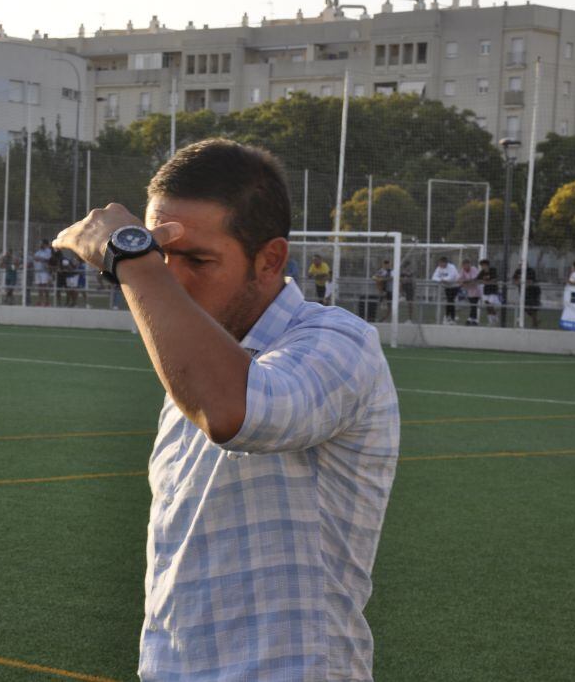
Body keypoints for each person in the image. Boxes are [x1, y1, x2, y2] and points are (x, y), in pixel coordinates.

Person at [51, 139, 398, 681]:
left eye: (197, 259)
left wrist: (130, 258)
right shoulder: (197, 366)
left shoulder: (340, 342)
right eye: (161, 254)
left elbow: (236, 411)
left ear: (271, 259)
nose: (170, 276)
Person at [431, 256, 461, 325]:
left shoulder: (451, 267)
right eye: (439, 263)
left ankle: (451, 317)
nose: (440, 265)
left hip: (455, 286)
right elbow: (434, 277)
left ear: (445, 263)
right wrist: (441, 280)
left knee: (450, 301)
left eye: (441, 263)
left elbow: (452, 277)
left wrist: (443, 279)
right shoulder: (439, 268)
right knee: (449, 301)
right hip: (447, 287)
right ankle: (448, 317)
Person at [478, 259, 501, 326]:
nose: (483, 267)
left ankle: (495, 318)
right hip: (486, 290)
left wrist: (487, 282)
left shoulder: (493, 270)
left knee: (490, 304)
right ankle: (491, 320)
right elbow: (478, 279)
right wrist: (483, 281)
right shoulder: (482, 272)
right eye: (482, 266)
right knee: (487, 306)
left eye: (484, 265)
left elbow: (495, 279)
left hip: (493, 290)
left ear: (487, 265)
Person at [459, 258, 481, 326]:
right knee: (472, 304)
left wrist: (465, 282)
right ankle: (472, 318)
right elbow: (460, 279)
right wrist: (464, 282)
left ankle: (473, 319)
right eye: (464, 266)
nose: (465, 267)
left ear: (469, 265)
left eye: (467, 265)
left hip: (477, 289)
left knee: (474, 304)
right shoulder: (463, 270)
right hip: (470, 290)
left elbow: (474, 280)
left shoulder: (473, 269)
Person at [33, 239, 53, 306]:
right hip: (38, 271)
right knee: (40, 287)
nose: (40, 245)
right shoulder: (39, 251)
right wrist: (39, 259)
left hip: (44, 271)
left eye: (41, 243)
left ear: (45, 244)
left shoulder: (49, 251)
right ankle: (40, 301)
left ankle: (47, 302)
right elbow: (35, 257)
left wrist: (40, 259)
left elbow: (48, 259)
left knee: (45, 287)